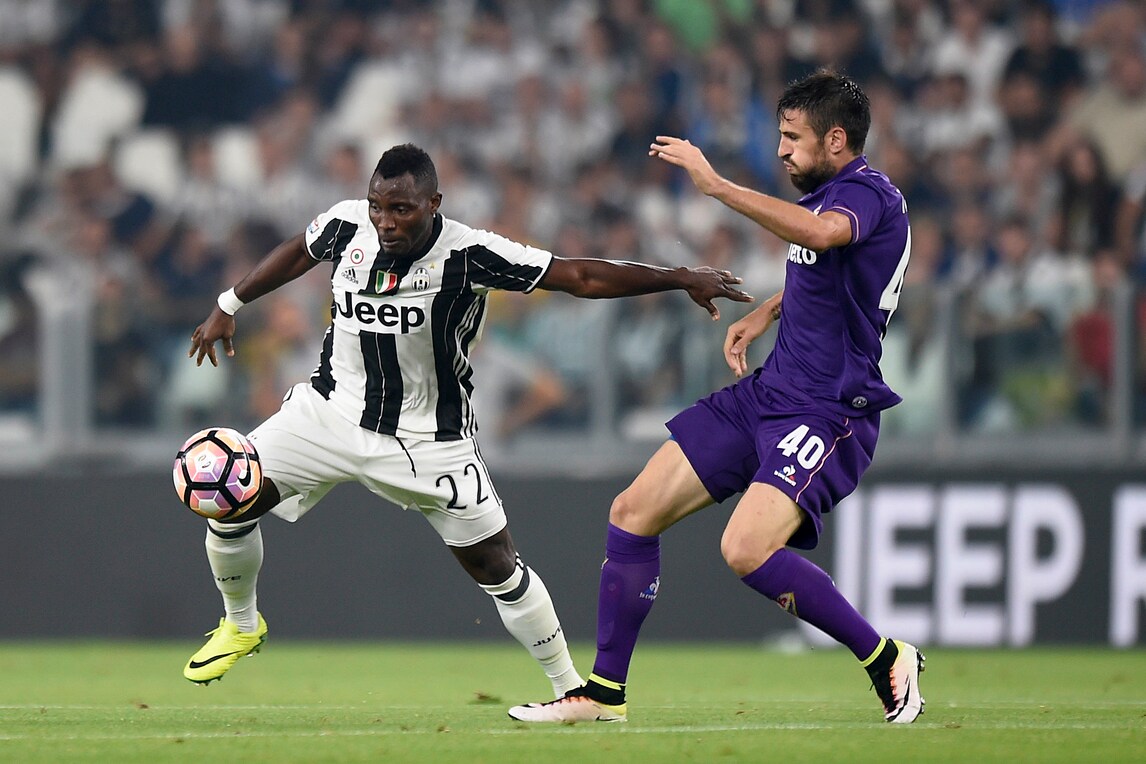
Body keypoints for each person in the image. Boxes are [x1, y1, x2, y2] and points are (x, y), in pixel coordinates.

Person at [181, 143, 751, 696]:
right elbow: (297, 252)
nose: (385, 221)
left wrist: (678, 276)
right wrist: (230, 304)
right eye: (378, 206)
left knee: (497, 566)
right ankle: (242, 623)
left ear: (434, 204)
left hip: (429, 439)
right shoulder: (346, 225)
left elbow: (578, 277)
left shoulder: (470, 253)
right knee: (228, 494)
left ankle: (571, 690)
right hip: (327, 413)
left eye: (401, 209)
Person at [508, 70, 924, 724]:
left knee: (745, 549)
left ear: (837, 140)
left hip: (828, 410)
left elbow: (822, 237)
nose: (781, 149)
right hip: (768, 392)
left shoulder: (869, 195)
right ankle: (604, 693)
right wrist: (768, 312)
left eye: (793, 138)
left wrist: (717, 186)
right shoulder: (828, 197)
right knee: (633, 510)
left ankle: (884, 656)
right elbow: (831, 271)